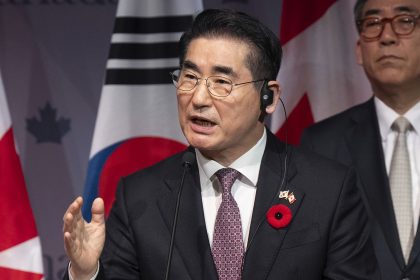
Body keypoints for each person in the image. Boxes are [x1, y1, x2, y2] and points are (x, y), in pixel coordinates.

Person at [63, 9, 379, 280]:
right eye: (189, 77)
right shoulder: (140, 196)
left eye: (221, 82)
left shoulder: (328, 189)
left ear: (268, 97)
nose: (198, 98)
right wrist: (86, 273)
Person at [301, 0, 420, 279]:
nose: (387, 37)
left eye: (405, 21)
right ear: (358, 50)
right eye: (373, 23)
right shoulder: (320, 145)